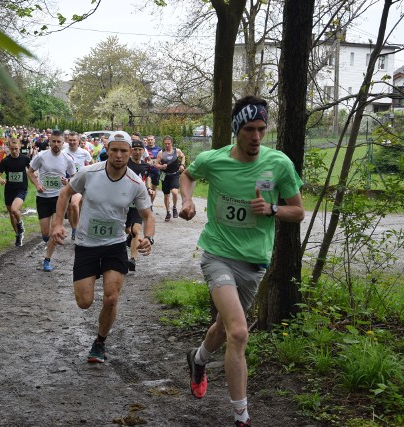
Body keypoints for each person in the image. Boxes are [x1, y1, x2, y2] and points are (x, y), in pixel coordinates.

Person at [179, 96, 305, 427]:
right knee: (238, 332)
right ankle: (242, 417)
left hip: (254, 263)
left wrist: (274, 209)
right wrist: (188, 199)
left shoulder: (278, 164)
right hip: (218, 254)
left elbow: (299, 211)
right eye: (249, 129)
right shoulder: (213, 160)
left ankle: (199, 358)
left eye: (262, 129)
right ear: (237, 129)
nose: (256, 136)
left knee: (224, 327)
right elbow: (188, 174)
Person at [51, 131, 155, 363]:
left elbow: (148, 215)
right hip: (87, 244)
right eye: (114, 150)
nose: (118, 155)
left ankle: (99, 342)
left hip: (115, 245)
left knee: (111, 298)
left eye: (124, 151)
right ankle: (89, 283)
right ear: (107, 150)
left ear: (130, 153)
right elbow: (65, 192)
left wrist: (149, 237)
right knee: (84, 302)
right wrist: (58, 223)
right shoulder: (89, 173)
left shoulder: (135, 183)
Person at [28, 130, 77, 272]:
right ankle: (49, 240)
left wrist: (68, 181)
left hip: (59, 198)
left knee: (55, 229)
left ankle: (47, 260)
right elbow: (30, 172)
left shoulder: (67, 159)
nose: (56, 144)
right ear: (50, 142)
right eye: (54, 141)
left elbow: (74, 177)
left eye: (59, 142)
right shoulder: (41, 156)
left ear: (63, 143)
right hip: (43, 198)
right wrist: (37, 184)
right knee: (45, 233)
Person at [124, 139, 153, 271]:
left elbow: (146, 178)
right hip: (124, 202)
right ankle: (129, 237)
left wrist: (149, 188)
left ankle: (133, 259)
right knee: (127, 230)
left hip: (137, 203)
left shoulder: (146, 166)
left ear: (143, 151)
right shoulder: (125, 163)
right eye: (134, 149)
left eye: (139, 149)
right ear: (131, 150)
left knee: (136, 230)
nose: (137, 152)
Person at [0, 139, 31, 247]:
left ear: (19, 147)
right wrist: (1, 179)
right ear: (9, 148)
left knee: (14, 209)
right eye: (12, 149)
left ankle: (20, 224)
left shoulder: (25, 159)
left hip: (21, 189)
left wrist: (35, 175)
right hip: (9, 190)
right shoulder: (5, 161)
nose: (14, 151)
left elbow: (32, 170)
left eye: (16, 149)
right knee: (11, 214)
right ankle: (17, 234)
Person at [62, 132, 94, 240]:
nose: (72, 142)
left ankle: (76, 230)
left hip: (80, 182)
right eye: (70, 140)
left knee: (74, 205)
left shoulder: (84, 153)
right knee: (69, 209)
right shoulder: (63, 152)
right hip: (66, 183)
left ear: (78, 141)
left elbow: (91, 164)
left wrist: (89, 175)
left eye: (74, 140)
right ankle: (74, 228)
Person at [154, 135, 186, 222]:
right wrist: (161, 166)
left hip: (175, 174)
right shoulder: (161, 153)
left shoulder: (177, 151)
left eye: (168, 143)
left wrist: (182, 165)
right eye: (165, 144)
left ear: (172, 143)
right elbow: (156, 164)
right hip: (165, 176)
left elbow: (183, 156)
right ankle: (168, 212)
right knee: (166, 195)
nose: (167, 145)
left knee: (175, 192)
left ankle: (174, 207)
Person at [145, 135, 162, 208]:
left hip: (156, 170)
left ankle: (151, 203)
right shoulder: (144, 149)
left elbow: (161, 159)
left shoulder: (159, 149)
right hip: (147, 170)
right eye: (148, 140)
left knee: (154, 188)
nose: (150, 141)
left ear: (154, 140)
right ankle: (147, 202)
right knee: (148, 186)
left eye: (151, 139)